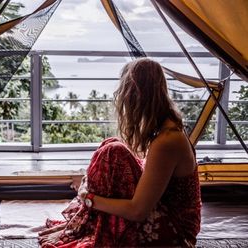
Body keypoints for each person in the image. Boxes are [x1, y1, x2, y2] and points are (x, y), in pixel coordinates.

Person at [38, 58, 201, 247]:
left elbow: (138, 211)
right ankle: (93, 222)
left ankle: (92, 223)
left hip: (177, 233)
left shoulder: (167, 141)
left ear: (136, 98)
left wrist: (89, 199)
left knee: (113, 152)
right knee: (112, 144)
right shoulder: (164, 129)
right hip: (159, 213)